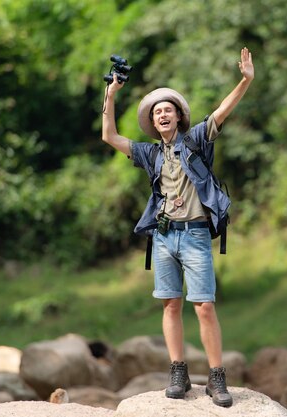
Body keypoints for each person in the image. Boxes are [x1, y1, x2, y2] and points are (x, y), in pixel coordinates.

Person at [101, 47, 254, 407]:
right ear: (153, 123)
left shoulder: (197, 140)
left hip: (196, 234)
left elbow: (222, 111)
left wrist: (245, 80)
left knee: (204, 306)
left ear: (179, 116)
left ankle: (217, 378)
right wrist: (110, 95)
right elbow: (109, 136)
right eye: (157, 112)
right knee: (170, 305)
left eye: (168, 109)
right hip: (163, 236)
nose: (162, 114)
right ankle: (178, 372)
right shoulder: (150, 154)